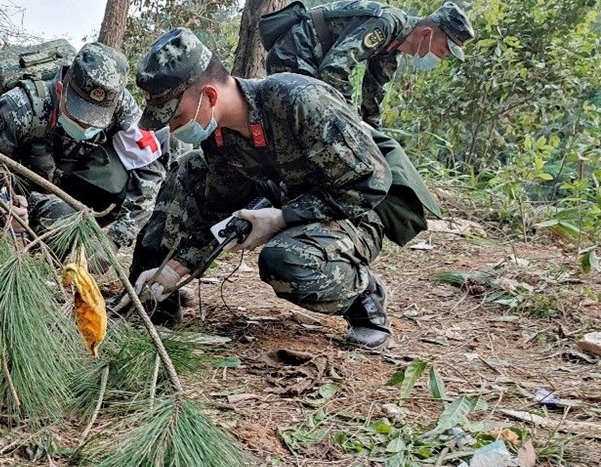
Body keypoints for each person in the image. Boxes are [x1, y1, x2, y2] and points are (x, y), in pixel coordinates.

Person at [128, 27, 424, 350]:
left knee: (283, 260)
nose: (171, 127)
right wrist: (176, 268)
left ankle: (365, 297)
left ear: (210, 97)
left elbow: (371, 183)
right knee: (189, 170)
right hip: (290, 201)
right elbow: (215, 210)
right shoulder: (220, 138)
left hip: (357, 211)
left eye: (176, 115)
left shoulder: (299, 102)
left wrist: (282, 218)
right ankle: (151, 295)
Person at [0, 42, 166, 260]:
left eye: (96, 121)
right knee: (61, 216)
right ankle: (42, 256)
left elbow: (150, 172)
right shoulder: (19, 107)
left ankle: (82, 240)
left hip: (76, 176)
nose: (85, 126)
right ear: (60, 90)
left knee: (167, 148)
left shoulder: (121, 104)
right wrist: (4, 211)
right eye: (78, 114)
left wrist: (115, 241)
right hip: (28, 188)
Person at [261, 0, 474, 128]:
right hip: (295, 54)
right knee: (307, 129)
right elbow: (334, 70)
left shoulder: (393, 49)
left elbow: (372, 97)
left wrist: (374, 137)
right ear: (427, 33)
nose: (439, 57)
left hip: (312, 64)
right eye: (442, 50)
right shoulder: (386, 25)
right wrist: (351, 121)